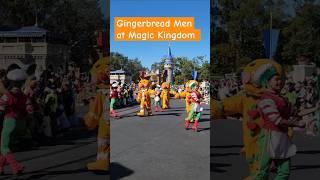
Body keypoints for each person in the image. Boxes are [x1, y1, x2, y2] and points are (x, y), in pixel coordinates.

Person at [255, 64, 302, 179]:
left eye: (280, 79)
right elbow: (277, 120)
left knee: (284, 172)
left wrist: (315, 108)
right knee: (262, 172)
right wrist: (296, 123)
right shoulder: (266, 98)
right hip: (268, 136)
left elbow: (295, 113)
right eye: (276, 80)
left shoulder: (281, 98)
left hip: (282, 137)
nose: (279, 82)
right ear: (268, 81)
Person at [0, 64, 33, 175]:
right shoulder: (24, 96)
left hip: (10, 122)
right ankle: (0, 167)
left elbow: (1, 108)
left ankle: (16, 166)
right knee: (7, 147)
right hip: (21, 124)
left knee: (4, 147)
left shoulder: (7, 95)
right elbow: (29, 108)